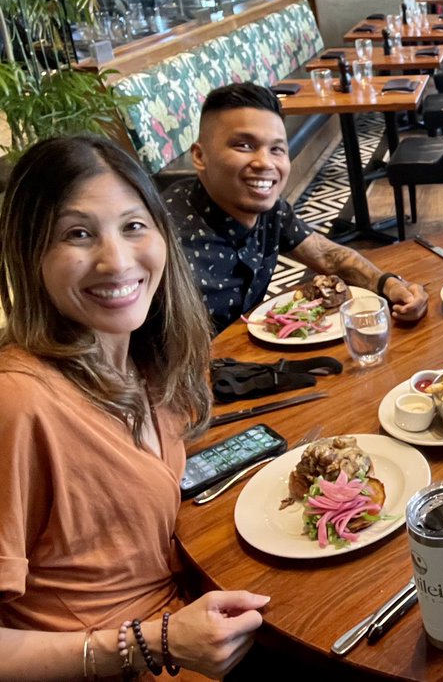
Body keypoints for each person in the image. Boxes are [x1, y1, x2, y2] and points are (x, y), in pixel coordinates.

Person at [0, 135, 269, 679]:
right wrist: (152, 644)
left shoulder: (148, 360)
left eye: (133, 226)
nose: (116, 260)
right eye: (77, 234)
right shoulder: (18, 401)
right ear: (28, 255)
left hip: (196, 621)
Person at [164, 84, 428, 335]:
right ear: (199, 156)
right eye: (244, 145)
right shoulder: (162, 238)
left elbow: (327, 256)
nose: (265, 162)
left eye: (276, 149)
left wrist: (391, 285)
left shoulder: (271, 210)